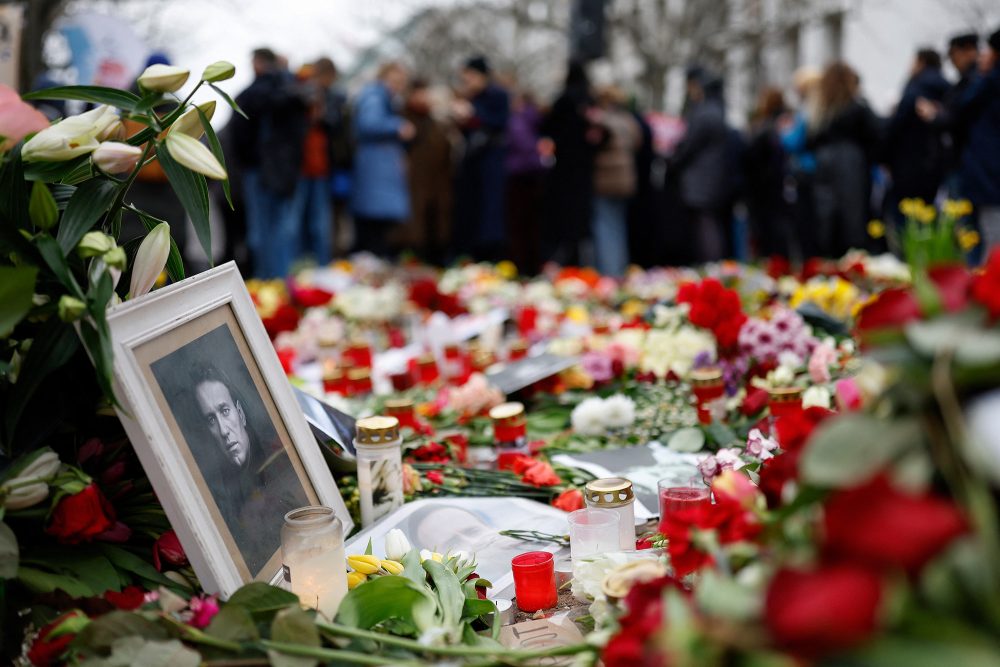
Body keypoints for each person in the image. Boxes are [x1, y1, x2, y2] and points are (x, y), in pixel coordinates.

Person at [192, 365, 309, 574]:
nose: (223, 430)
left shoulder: (280, 462)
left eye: (224, 411)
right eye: (211, 419)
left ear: (240, 414)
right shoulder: (216, 491)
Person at [231, 48, 309, 277]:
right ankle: (283, 286)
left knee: (262, 232)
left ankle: (268, 288)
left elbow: (240, 134)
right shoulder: (294, 94)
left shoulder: (252, 94)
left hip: (259, 171)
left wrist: (247, 162)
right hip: (286, 172)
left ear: (258, 63)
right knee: (283, 230)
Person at [807, 62, 882, 257]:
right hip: (851, 164)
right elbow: (877, 134)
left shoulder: (822, 112)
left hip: (825, 164)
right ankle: (853, 257)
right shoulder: (856, 107)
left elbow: (810, 140)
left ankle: (831, 256)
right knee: (853, 217)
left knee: (828, 216)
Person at [670, 66, 732, 263]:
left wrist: (672, 160)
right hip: (712, 177)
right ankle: (712, 264)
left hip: (701, 179)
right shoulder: (717, 111)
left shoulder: (704, 114)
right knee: (707, 223)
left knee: (704, 224)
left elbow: (688, 146)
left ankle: (710, 265)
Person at [351, 62, 414, 257]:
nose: (398, 86)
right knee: (373, 228)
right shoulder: (375, 97)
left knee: (377, 227)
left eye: (401, 82)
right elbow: (368, 124)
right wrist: (398, 126)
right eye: (395, 81)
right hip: (375, 172)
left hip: (379, 174)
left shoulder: (385, 100)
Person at [451, 56, 510, 261]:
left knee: (490, 212)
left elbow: (499, 122)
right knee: (471, 210)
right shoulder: (469, 97)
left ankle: (490, 254)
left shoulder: (497, 95)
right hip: (472, 160)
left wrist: (473, 113)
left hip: (490, 160)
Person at [540, 61, 598, 265]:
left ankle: (563, 259)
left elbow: (548, 128)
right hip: (584, 168)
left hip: (565, 167)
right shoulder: (589, 100)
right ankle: (580, 260)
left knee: (564, 219)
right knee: (581, 221)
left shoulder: (564, 101)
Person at [885, 49, 950, 226]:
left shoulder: (914, 89)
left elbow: (895, 127)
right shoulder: (949, 89)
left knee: (904, 219)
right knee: (929, 218)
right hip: (936, 163)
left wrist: (885, 158)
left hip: (908, 163)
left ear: (921, 62)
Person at [395, 79, 453, 264]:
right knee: (412, 228)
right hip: (411, 182)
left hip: (437, 184)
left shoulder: (436, 122)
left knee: (434, 226)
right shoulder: (403, 119)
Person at [954, 29, 1000, 253]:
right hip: (986, 174)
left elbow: (960, 109)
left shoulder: (988, 84)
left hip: (987, 174)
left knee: (988, 237)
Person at [589, 85, 641, 276]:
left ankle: (609, 273)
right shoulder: (628, 121)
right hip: (625, 180)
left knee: (604, 227)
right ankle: (620, 268)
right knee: (619, 226)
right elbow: (638, 143)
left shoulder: (600, 120)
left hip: (604, 180)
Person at [291, 61, 334, 265]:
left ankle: (322, 267)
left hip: (319, 170)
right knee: (298, 224)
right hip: (300, 170)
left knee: (319, 225)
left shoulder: (328, 100)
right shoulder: (294, 94)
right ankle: (300, 268)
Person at [744, 87, 794, 259]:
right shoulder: (784, 123)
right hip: (776, 186)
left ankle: (774, 263)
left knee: (768, 231)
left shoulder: (766, 127)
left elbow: (754, 155)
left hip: (766, 187)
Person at [781, 67, 822, 259]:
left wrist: (782, 133)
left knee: (806, 225)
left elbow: (792, 141)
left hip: (806, 172)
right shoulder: (818, 108)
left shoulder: (808, 111)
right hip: (814, 172)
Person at [505, 85, 546, 274]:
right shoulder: (537, 120)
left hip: (520, 174)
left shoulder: (517, 121)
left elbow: (522, 144)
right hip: (537, 173)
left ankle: (522, 266)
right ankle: (533, 264)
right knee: (534, 223)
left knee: (520, 223)